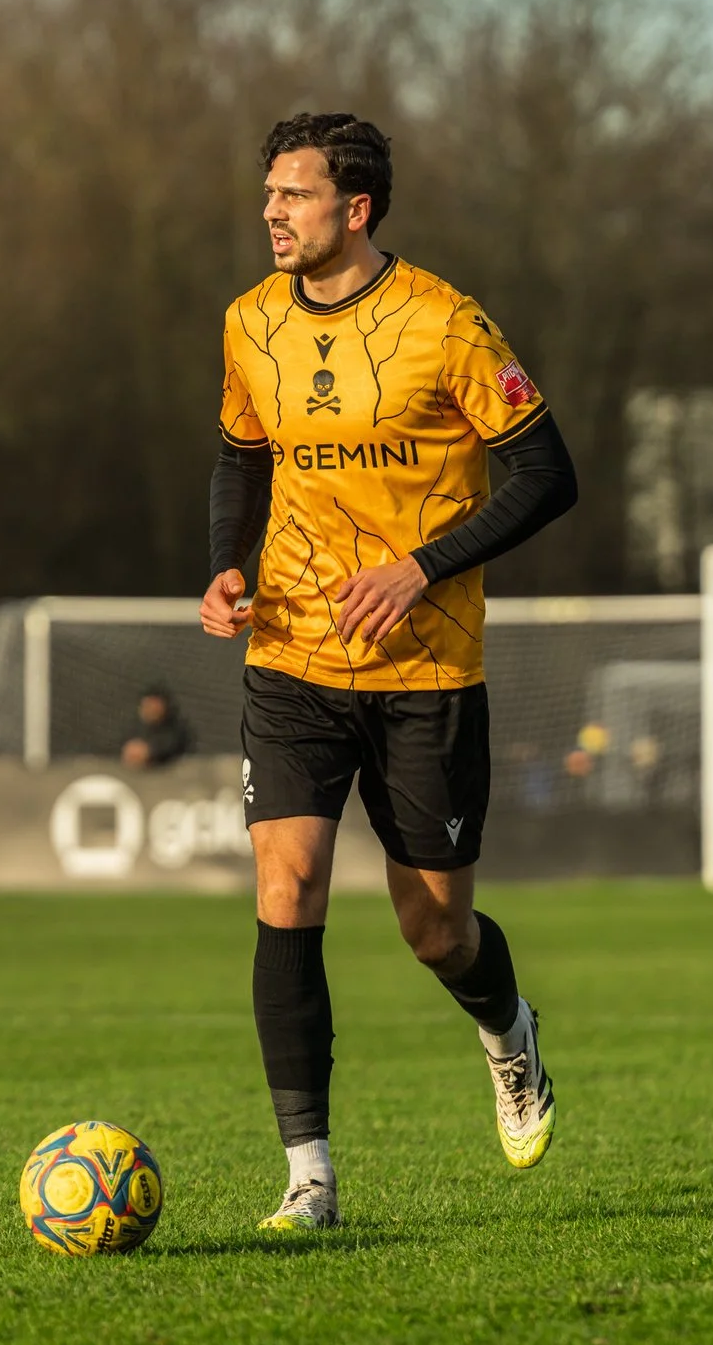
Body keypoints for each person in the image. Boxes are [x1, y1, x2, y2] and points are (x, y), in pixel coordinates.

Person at [199, 112, 578, 1231]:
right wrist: (225, 564)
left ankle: (507, 1031)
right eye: (268, 191)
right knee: (288, 892)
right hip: (294, 655)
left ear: (354, 208)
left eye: (295, 194)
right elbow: (239, 453)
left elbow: (547, 474)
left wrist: (422, 566)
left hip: (426, 668)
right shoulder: (248, 323)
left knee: (435, 931)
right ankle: (308, 1176)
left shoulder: (445, 323)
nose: (272, 211)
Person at [120, 685, 194, 770]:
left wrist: (150, 751)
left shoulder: (176, 731)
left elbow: (172, 747)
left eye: (154, 707)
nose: (150, 710)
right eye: (147, 706)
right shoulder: (133, 728)